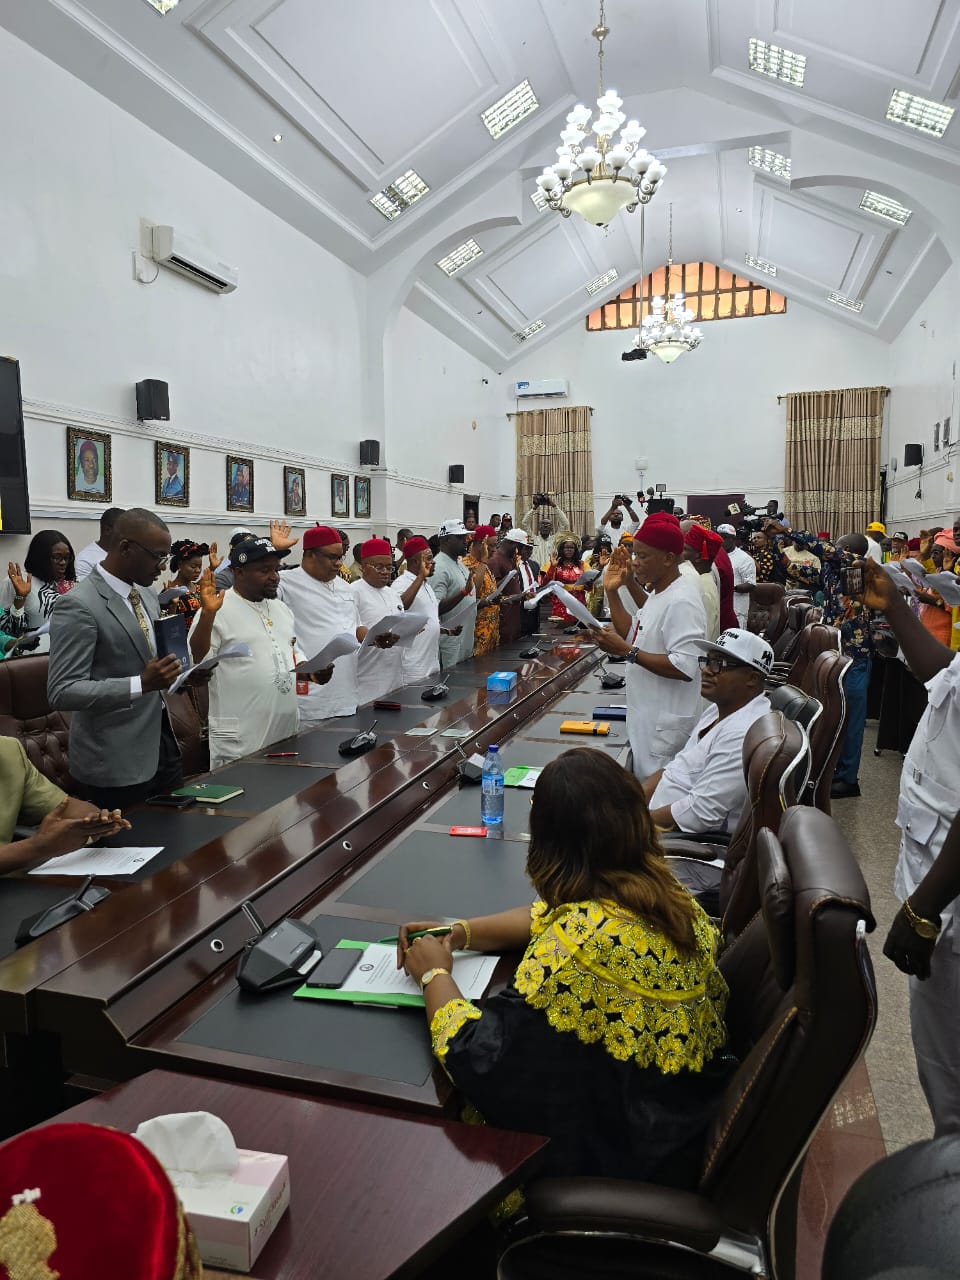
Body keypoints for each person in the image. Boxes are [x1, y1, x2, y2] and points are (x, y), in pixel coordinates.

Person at [396, 748, 734, 1182]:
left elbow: (478, 1057)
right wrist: (458, 933)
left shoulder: (580, 947)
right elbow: (544, 915)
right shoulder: (666, 895)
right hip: (672, 1115)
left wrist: (434, 973)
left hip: (621, 1155)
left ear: (550, 838)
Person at [856, 559, 960, 1134]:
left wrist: (924, 907)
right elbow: (946, 674)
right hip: (941, 886)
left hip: (949, 902)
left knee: (950, 1080)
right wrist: (895, 608)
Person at [48, 508, 200, 809]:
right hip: (114, 758)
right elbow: (62, 691)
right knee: (129, 850)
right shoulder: (78, 605)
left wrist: (183, 676)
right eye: (157, 556)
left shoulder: (145, 595)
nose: (163, 566)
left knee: (176, 841)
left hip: (162, 744)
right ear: (126, 548)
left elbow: (153, 665)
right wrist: (140, 684)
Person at [766, 521, 878, 798]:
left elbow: (823, 549)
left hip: (855, 654)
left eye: (837, 546)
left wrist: (786, 531)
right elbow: (797, 571)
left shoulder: (854, 563)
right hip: (836, 650)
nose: (832, 550)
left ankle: (849, 779)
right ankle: (835, 769)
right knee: (835, 715)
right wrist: (775, 546)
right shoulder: (832, 570)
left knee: (850, 718)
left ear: (848, 549)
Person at [189, 536, 321, 767]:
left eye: (276, 569)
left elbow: (292, 649)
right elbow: (198, 660)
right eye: (264, 570)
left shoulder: (281, 608)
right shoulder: (215, 609)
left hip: (284, 732)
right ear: (238, 572)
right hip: (239, 738)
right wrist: (208, 615)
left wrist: (310, 670)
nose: (275, 577)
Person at [596, 513, 706, 780]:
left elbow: (685, 666)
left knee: (656, 799)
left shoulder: (682, 600)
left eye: (643, 556)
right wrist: (613, 590)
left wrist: (625, 652)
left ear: (668, 558)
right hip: (647, 718)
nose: (635, 563)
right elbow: (635, 634)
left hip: (664, 727)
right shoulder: (660, 593)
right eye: (634, 555)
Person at [644, 629, 773, 834]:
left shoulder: (742, 733)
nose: (706, 671)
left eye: (719, 664)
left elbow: (698, 815)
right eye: (707, 661)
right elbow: (677, 767)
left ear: (752, 678)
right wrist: (631, 802)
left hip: (681, 841)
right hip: (656, 824)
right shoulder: (719, 708)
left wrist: (630, 825)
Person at [0, 736, 130, 873]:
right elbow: (39, 846)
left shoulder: (8, 751)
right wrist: (37, 847)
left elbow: (66, 808)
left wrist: (95, 822)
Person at [277, 525, 364, 721]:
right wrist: (275, 553)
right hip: (310, 700)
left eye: (340, 557)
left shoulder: (346, 588)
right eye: (332, 557)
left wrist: (375, 636)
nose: (338, 564)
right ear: (310, 555)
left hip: (347, 696)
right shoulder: (284, 583)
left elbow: (355, 626)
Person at [350, 537, 406, 704]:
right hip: (367, 680)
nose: (385, 572)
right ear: (364, 567)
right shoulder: (353, 593)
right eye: (379, 567)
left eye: (389, 567)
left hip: (395, 678)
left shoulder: (393, 594)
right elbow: (349, 629)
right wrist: (373, 637)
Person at [2, 530, 77, 650]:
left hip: (65, 654)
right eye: (56, 557)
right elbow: (8, 633)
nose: (63, 563)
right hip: (31, 657)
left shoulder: (68, 583)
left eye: (67, 558)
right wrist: (20, 598)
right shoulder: (19, 581)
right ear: (40, 557)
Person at [395, 536, 443, 682]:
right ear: (416, 562)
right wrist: (421, 577)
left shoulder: (426, 584)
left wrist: (442, 628)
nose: (433, 562)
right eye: (428, 559)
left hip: (432, 663)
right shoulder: (401, 583)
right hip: (414, 666)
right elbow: (400, 605)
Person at [432, 520, 478, 668]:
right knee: (453, 686)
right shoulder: (439, 567)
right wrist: (463, 592)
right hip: (451, 643)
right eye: (459, 538)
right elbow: (434, 607)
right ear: (445, 540)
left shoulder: (459, 563)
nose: (465, 541)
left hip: (465, 640)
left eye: (465, 537)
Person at [679, 525, 721, 643]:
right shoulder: (696, 580)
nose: (680, 553)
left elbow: (701, 640)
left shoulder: (703, 589)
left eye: (685, 549)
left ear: (698, 557)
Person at [161, 539, 217, 626]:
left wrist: (212, 568)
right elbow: (166, 626)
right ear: (180, 564)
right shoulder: (170, 591)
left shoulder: (198, 587)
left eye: (199, 567)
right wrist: (172, 607)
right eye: (193, 566)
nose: (198, 570)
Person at [463, 526, 500, 656]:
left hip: (491, 635)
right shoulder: (466, 564)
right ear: (480, 544)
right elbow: (473, 594)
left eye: (496, 545)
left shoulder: (484, 565)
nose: (494, 550)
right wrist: (483, 561)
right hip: (476, 637)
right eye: (491, 546)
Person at [539, 534, 586, 625]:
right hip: (561, 604)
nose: (569, 550)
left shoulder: (582, 564)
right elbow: (545, 583)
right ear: (562, 549)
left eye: (571, 548)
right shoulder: (554, 564)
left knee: (578, 634)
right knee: (560, 634)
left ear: (575, 550)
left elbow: (589, 585)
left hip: (579, 603)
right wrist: (553, 567)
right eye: (566, 548)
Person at [718, 523, 756, 628]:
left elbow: (751, 584)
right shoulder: (715, 555)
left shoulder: (744, 558)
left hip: (737, 610)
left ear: (733, 539)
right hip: (718, 610)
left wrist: (729, 587)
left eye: (725, 537)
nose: (721, 540)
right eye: (719, 536)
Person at [75, 507, 123, 580]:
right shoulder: (85, 560)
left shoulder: (127, 553)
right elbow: (86, 590)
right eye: (124, 530)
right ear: (107, 530)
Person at [520, 498, 571, 567]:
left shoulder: (556, 539)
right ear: (538, 528)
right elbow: (524, 523)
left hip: (551, 573)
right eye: (543, 524)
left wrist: (554, 506)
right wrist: (534, 508)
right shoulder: (532, 539)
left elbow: (565, 524)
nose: (545, 526)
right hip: (535, 573)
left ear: (551, 528)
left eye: (548, 524)